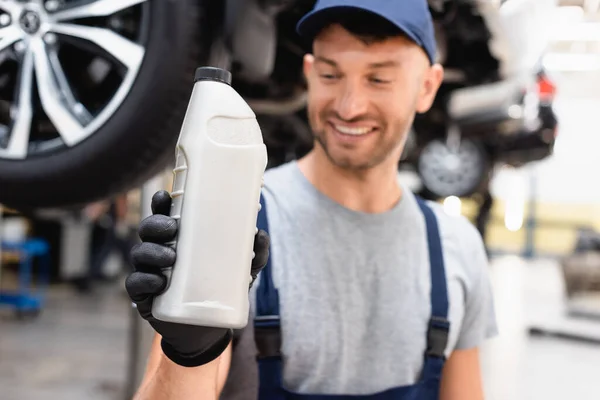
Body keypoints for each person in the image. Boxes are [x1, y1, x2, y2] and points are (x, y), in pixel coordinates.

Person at [125, 0, 498, 399]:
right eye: (330, 74)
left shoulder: (457, 248)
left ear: (427, 87)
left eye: (379, 79)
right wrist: (190, 351)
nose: (349, 106)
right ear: (308, 74)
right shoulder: (238, 220)